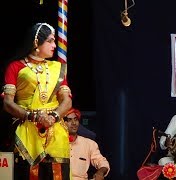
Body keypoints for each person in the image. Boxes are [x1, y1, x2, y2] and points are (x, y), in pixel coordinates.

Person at [2, 23, 72, 179]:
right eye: (50, 41)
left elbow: (66, 101)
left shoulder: (57, 68)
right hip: (26, 130)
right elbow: (8, 103)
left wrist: (53, 117)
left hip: (55, 130)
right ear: (36, 43)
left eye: (55, 41)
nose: (55, 45)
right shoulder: (16, 67)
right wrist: (33, 116)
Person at [65, 108, 110, 180]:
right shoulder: (54, 143)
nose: (74, 123)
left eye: (76, 119)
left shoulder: (89, 144)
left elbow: (102, 162)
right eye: (69, 120)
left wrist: (100, 172)